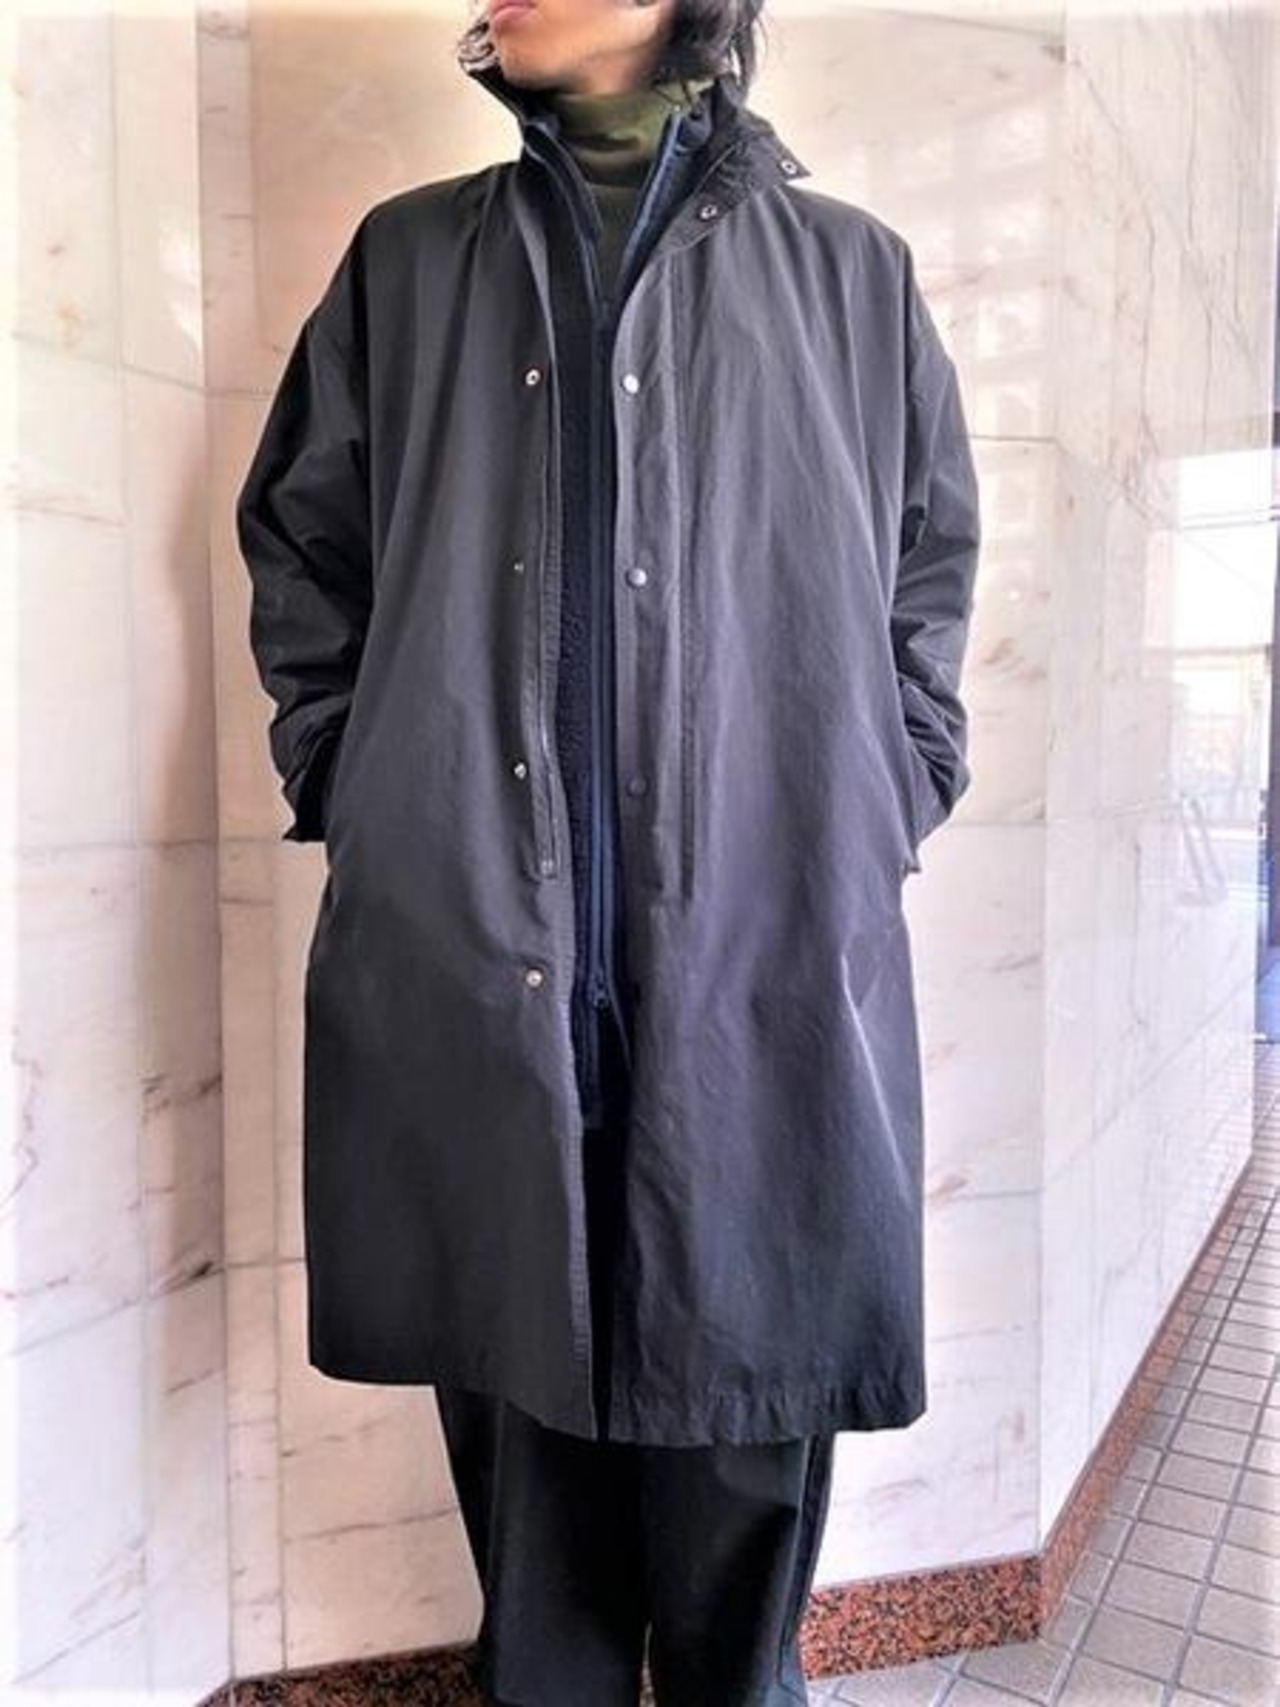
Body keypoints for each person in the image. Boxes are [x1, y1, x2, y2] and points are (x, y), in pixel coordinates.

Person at [235, 0, 980, 1699]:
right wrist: (359, 775)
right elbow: (303, 541)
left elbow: (926, 572)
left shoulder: (850, 274)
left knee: (749, 1408)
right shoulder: (411, 261)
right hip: (474, 935)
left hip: (762, 942)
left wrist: (890, 786)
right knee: (524, 1433)